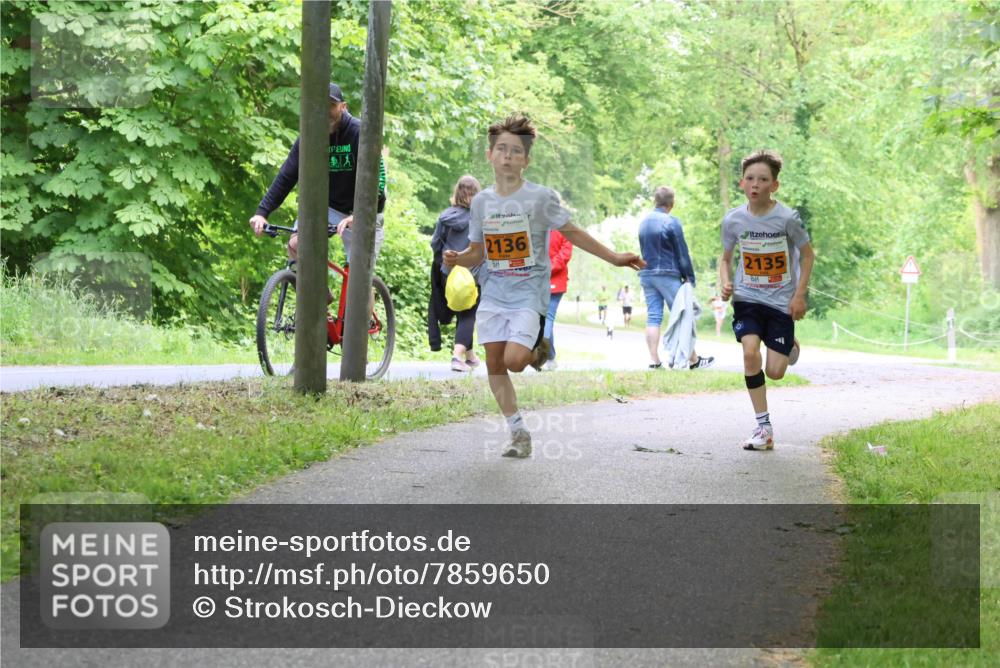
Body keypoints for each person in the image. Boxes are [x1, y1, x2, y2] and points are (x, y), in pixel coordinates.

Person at [444, 114, 644, 458]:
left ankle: (537, 349)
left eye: (516, 151)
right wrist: (456, 258)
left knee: (516, 360)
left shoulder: (540, 198)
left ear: (527, 160)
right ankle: (518, 431)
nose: (508, 156)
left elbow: (573, 233)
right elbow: (477, 251)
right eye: (501, 149)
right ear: (490, 155)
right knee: (494, 364)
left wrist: (613, 257)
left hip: (528, 292)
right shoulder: (481, 203)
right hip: (494, 290)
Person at [719, 149, 814, 451]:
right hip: (747, 297)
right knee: (749, 354)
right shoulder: (733, 220)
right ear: (741, 184)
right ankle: (764, 426)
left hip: (780, 301)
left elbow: (808, 255)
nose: (755, 184)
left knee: (775, 371)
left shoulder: (787, 219)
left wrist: (799, 295)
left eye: (763, 179)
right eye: (750, 178)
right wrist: (725, 282)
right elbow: (725, 258)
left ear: (775, 186)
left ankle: (790, 345)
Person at [249, 83, 387, 266]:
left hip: (363, 210)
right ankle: (319, 294)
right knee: (297, 245)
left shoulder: (360, 133)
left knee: (360, 276)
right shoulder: (309, 135)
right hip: (328, 208)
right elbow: (287, 174)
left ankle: (361, 291)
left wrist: (361, 214)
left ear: (343, 107)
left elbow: (379, 178)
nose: (325, 112)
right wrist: (262, 212)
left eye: (330, 105)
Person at [637, 186, 713, 370]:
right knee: (683, 315)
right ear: (672, 203)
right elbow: (682, 252)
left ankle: (655, 362)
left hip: (647, 274)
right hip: (667, 274)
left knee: (653, 316)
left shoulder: (644, 222)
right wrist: (689, 277)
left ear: (656, 201)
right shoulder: (671, 221)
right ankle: (693, 360)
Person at [430, 175, 483, 372]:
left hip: (449, 272)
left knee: (462, 311)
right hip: (472, 273)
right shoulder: (480, 218)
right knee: (468, 314)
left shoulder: (445, 216)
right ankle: (457, 356)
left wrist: (443, 263)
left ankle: (470, 356)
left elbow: (435, 243)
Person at [542, 228, 573, 370]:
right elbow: (565, 255)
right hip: (555, 280)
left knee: (543, 318)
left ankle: (548, 356)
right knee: (547, 318)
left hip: (540, 280)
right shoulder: (564, 229)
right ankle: (549, 357)